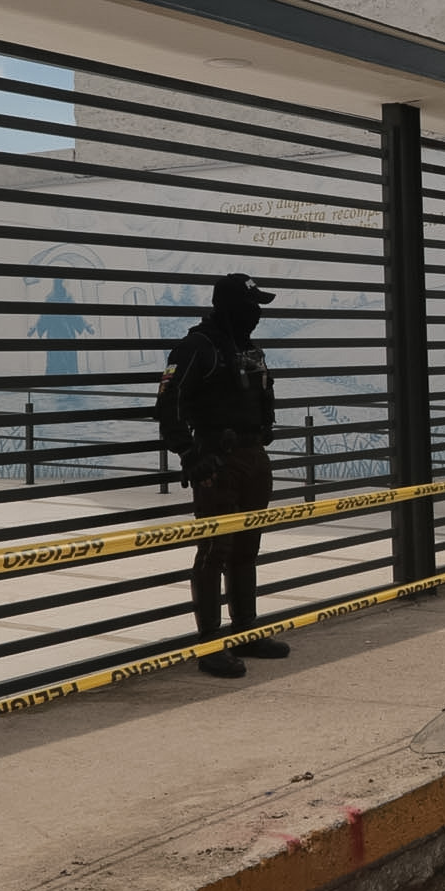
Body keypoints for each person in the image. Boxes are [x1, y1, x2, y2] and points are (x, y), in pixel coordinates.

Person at [156, 272, 286, 678]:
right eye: (251, 306)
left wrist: (266, 425)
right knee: (215, 552)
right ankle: (211, 643)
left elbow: (263, 392)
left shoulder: (247, 348)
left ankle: (246, 629)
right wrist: (190, 453)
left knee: (248, 548)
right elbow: (168, 401)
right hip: (217, 460)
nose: (257, 314)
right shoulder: (199, 346)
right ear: (230, 307)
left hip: (253, 457)